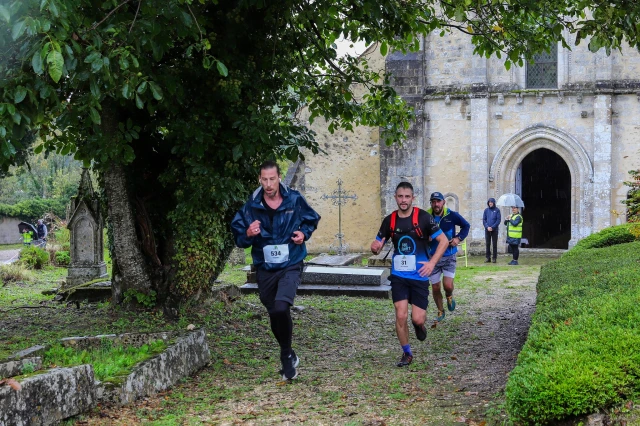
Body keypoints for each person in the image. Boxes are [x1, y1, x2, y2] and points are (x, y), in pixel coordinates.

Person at [231, 160, 320, 380]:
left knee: (282, 308)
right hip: (265, 266)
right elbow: (239, 238)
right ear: (259, 180)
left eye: (273, 179)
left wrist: (303, 234)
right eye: (265, 179)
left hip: (291, 263)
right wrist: (249, 234)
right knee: (274, 313)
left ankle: (284, 356)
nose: (269, 184)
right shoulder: (251, 206)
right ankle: (288, 352)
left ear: (279, 177)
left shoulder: (294, 199)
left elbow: (311, 219)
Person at [371, 182, 448, 367]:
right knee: (400, 315)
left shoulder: (423, 217)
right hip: (399, 276)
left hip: (419, 275)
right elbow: (377, 243)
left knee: (417, 318)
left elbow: (443, 240)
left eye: (407, 197)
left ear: (412, 198)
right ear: (395, 198)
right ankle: (407, 353)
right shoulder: (389, 220)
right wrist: (375, 248)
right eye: (400, 196)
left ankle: (419, 325)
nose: (403, 200)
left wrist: (431, 263)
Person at [426, 192, 470, 322]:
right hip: (433, 257)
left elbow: (466, 226)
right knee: (435, 287)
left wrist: (458, 238)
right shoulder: (426, 216)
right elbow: (419, 231)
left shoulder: (452, 215)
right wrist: (425, 237)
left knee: (448, 286)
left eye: (438, 201)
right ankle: (440, 311)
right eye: (433, 202)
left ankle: (449, 296)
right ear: (431, 203)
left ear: (443, 202)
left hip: (449, 255)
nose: (436, 204)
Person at [482, 198, 501, 263]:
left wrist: (492, 227)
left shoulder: (497, 210)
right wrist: (487, 227)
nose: (490, 203)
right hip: (487, 230)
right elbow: (484, 220)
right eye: (489, 202)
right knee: (487, 244)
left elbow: (498, 220)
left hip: (494, 230)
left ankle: (494, 258)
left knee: (494, 244)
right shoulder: (486, 210)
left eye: (491, 202)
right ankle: (488, 257)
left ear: (494, 203)